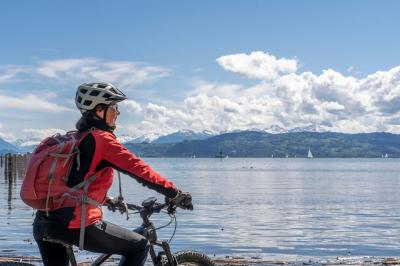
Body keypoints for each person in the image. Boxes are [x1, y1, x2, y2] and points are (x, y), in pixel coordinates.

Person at [32, 82, 193, 266]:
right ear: (100, 110)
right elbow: (141, 170)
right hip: (77, 225)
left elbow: (73, 182)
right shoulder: (101, 140)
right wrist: (175, 193)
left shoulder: (77, 138)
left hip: (44, 223)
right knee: (140, 245)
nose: (118, 112)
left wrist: (107, 199)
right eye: (114, 107)